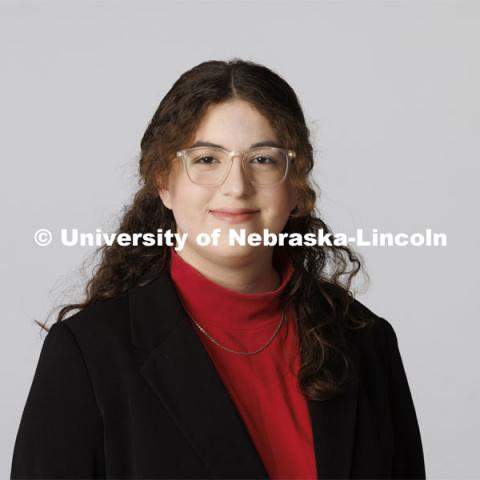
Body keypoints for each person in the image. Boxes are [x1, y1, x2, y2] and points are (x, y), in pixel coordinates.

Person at [10, 59, 426, 479]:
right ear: (163, 182)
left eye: (263, 159)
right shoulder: (89, 353)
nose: (236, 185)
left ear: (296, 184)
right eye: (207, 159)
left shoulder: (366, 342)